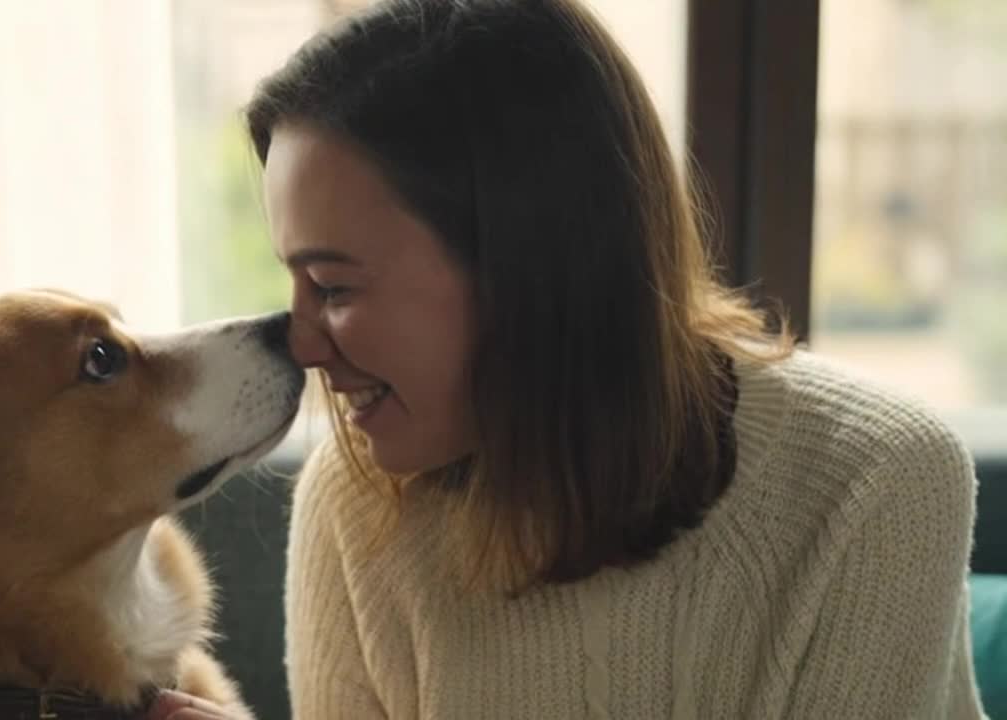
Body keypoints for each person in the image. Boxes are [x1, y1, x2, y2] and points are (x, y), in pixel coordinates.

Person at [153, 0, 985, 717]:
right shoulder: (359, 500)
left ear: (523, 267)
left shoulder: (878, 483)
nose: (299, 341)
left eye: (332, 286)